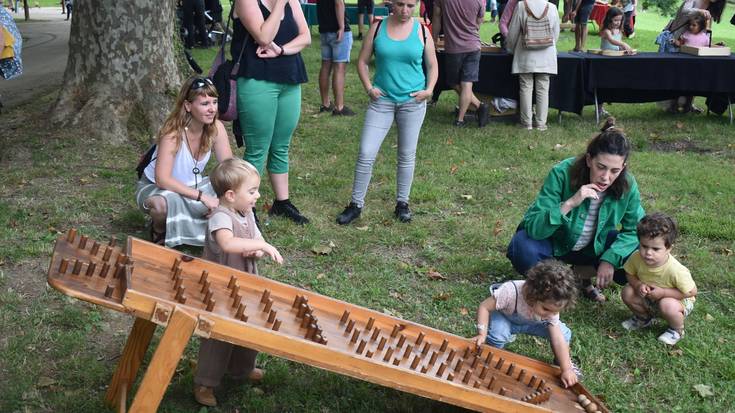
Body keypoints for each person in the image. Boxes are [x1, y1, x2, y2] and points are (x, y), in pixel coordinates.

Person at [506, 118, 645, 302]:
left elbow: (636, 230)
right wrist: (570, 203)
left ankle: (579, 275)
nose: (605, 177)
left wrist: (611, 259)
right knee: (522, 247)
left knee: (640, 253)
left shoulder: (627, 184)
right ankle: (559, 282)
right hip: (556, 243)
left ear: (623, 168)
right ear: (589, 159)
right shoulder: (562, 172)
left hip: (594, 247)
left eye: (614, 171)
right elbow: (534, 227)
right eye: (601, 167)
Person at [336, 0, 438, 225]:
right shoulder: (378, 27)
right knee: (366, 152)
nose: (404, 10)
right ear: (391, 4)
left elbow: (432, 64)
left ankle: (403, 203)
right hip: (382, 101)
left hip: (412, 102)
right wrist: (369, 88)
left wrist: (429, 90)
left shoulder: (422, 30)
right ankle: (355, 205)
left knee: (406, 154)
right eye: (400, 4)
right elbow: (362, 62)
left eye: (410, 5)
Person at [193, 158, 283, 407]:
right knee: (218, 338)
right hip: (220, 289)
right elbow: (228, 244)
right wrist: (261, 246)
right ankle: (205, 382)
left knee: (250, 328)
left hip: (244, 284)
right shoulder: (220, 217)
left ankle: (241, 369)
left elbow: (255, 236)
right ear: (231, 195)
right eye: (252, 191)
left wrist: (257, 249)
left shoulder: (245, 212)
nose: (258, 195)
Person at [234, 0, 312, 224]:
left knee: (281, 145)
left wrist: (282, 50)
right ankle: (245, 208)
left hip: (289, 77)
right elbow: (264, 37)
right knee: (258, 148)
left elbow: (305, 37)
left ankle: (282, 202)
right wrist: (279, 4)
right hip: (257, 79)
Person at [135, 76, 233, 247]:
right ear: (188, 106)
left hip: (193, 185)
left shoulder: (217, 128)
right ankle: (159, 230)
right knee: (162, 205)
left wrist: (224, 202)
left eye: (214, 102)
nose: (212, 109)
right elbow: (162, 179)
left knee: (228, 188)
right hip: (157, 187)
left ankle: (196, 224)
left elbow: (229, 169)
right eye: (204, 104)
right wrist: (203, 197)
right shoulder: (173, 133)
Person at [472, 260, 580, 388]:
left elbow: (557, 338)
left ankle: (562, 362)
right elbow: (484, 307)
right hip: (506, 318)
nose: (551, 314)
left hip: (533, 323)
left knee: (563, 334)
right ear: (532, 295)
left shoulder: (550, 308)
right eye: (546, 309)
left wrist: (566, 369)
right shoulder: (509, 292)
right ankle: (492, 354)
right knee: (497, 335)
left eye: (555, 311)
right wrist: (481, 333)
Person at [621, 213, 696, 346]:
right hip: (650, 298)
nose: (648, 253)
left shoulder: (675, 270)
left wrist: (663, 293)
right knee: (627, 291)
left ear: (669, 248)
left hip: (677, 301)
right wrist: (638, 284)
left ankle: (677, 330)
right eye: (644, 246)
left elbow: (691, 292)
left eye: (655, 249)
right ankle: (643, 318)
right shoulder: (636, 258)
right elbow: (629, 274)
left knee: (667, 304)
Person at [432, 0, 490, 128]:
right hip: (474, 46)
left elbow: (436, 17)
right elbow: (478, 24)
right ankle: (467, 115)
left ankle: (468, 114)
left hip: (454, 48)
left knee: (453, 82)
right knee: (467, 83)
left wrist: (434, 39)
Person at [506, 0, 560, 131]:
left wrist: (511, 49)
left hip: (525, 52)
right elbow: (555, 34)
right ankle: (541, 123)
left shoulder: (521, 5)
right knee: (543, 88)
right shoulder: (552, 7)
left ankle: (527, 123)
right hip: (546, 54)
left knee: (525, 86)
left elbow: (513, 32)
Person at [317, 0, 355, 116]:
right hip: (337, 30)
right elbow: (338, 3)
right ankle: (339, 107)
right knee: (339, 68)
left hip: (324, 29)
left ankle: (326, 104)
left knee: (325, 66)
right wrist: (342, 27)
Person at [596, 6, 632, 118]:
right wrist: (623, 44)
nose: (617, 22)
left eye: (620, 20)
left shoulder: (619, 31)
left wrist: (623, 49)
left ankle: (605, 104)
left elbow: (617, 45)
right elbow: (612, 40)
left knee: (611, 83)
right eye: (615, 20)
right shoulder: (606, 31)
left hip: (615, 59)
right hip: (605, 60)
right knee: (602, 83)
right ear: (609, 19)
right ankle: (599, 108)